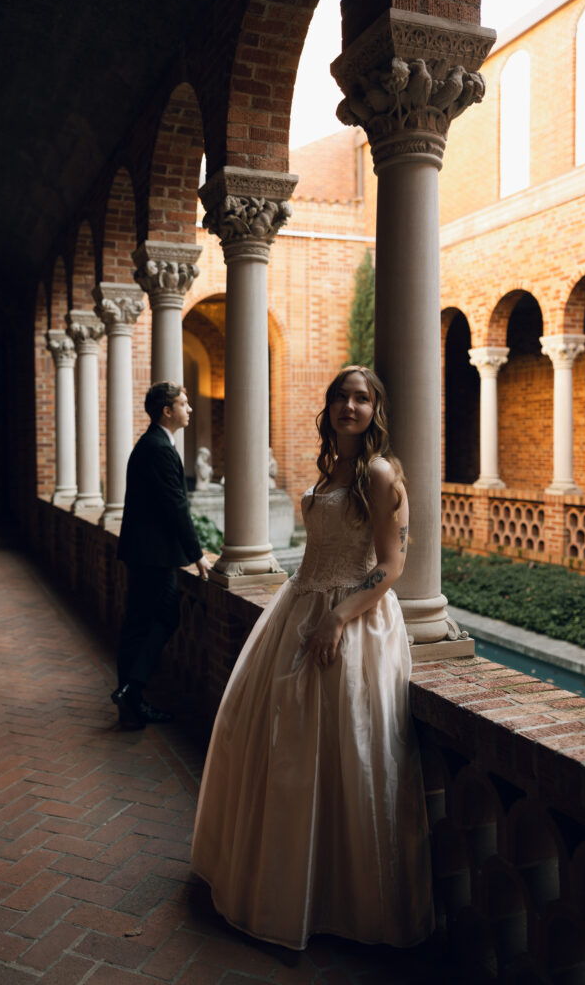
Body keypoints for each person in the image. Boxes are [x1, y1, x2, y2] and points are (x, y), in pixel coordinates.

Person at [191, 366, 434, 950]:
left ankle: (345, 901)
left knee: (347, 752)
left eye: (362, 398)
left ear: (376, 410)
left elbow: (391, 567)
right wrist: (311, 607)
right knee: (286, 749)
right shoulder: (334, 468)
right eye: (340, 396)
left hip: (352, 623)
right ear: (328, 407)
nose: (350, 405)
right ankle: (288, 883)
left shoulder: (378, 473)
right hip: (299, 605)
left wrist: (338, 615)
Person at [112, 381, 210, 729]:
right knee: (163, 618)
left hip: (145, 552)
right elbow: (176, 506)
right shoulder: (158, 448)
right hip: (153, 555)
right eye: (184, 404)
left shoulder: (153, 444)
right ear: (167, 411)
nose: (190, 409)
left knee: (139, 623)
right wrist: (197, 554)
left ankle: (130, 697)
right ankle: (131, 690)